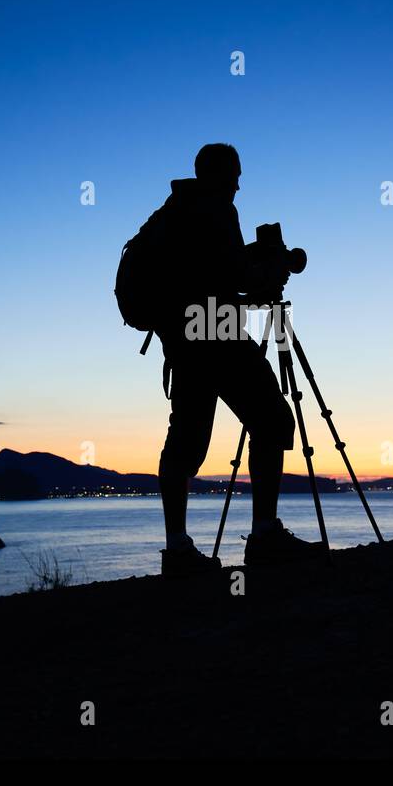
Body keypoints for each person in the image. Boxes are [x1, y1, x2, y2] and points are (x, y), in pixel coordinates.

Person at [153, 143, 324, 576]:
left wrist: (248, 278)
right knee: (272, 419)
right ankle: (264, 536)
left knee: (185, 443)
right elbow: (231, 280)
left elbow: (211, 277)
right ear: (219, 175)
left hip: (185, 336)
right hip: (217, 333)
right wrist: (264, 278)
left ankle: (177, 550)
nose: (239, 184)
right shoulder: (215, 209)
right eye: (235, 176)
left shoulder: (175, 210)